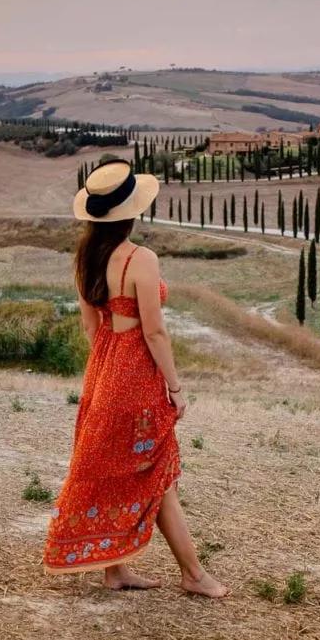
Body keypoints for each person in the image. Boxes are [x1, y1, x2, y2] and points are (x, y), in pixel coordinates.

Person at [43, 158, 228, 598]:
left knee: (118, 471)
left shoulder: (86, 259)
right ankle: (193, 574)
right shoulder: (140, 259)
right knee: (156, 473)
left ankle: (116, 570)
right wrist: (175, 388)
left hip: (103, 373)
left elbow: (91, 327)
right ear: (131, 212)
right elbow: (154, 332)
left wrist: (109, 368)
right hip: (137, 377)